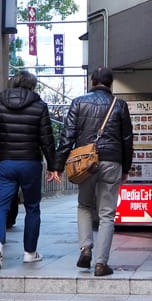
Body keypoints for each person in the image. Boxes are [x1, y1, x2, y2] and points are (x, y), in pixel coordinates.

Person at [56, 66, 133, 277]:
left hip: (86, 162)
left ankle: (86, 248)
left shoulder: (79, 102)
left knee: (84, 205)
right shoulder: (120, 105)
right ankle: (101, 263)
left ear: (92, 82)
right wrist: (125, 168)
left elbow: (67, 135)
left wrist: (57, 165)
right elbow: (127, 139)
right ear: (111, 84)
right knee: (107, 213)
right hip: (112, 162)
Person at [0, 70, 61, 269]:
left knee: (1, 206)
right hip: (30, 164)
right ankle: (30, 253)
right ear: (32, 86)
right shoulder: (39, 106)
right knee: (33, 207)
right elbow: (46, 139)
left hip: (6, 163)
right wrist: (53, 167)